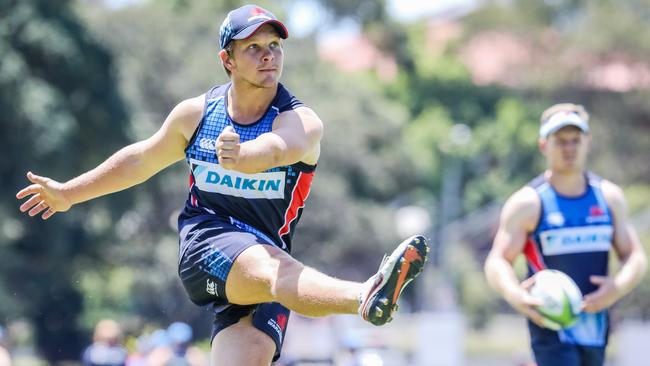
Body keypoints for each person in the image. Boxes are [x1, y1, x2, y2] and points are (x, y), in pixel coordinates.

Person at [15, 4, 429, 365]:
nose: (269, 57)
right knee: (273, 272)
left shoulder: (301, 121)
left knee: (272, 277)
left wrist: (244, 156)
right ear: (227, 60)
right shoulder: (195, 116)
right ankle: (366, 296)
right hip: (206, 242)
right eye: (254, 48)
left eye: (275, 47)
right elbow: (140, 160)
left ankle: (366, 297)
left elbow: (277, 149)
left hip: (266, 262)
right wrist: (68, 193)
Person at [484, 103, 647, 366]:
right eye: (560, 141)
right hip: (551, 329)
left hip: (596, 329)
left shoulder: (609, 197)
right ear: (543, 145)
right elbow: (497, 261)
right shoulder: (529, 203)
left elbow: (635, 257)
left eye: (575, 140)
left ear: (588, 142)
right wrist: (517, 296)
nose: (569, 148)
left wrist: (615, 289)